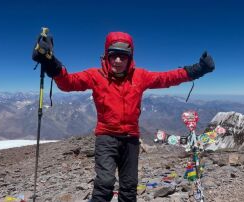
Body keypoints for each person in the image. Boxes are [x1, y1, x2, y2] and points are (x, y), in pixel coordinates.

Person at [32, 31, 215, 202]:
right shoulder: (95, 76)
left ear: (130, 57)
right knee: (104, 183)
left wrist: (198, 69)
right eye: (114, 55)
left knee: (129, 187)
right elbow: (68, 83)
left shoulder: (140, 76)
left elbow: (167, 78)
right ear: (107, 55)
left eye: (123, 56)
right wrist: (51, 63)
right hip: (106, 137)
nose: (118, 60)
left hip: (131, 139)